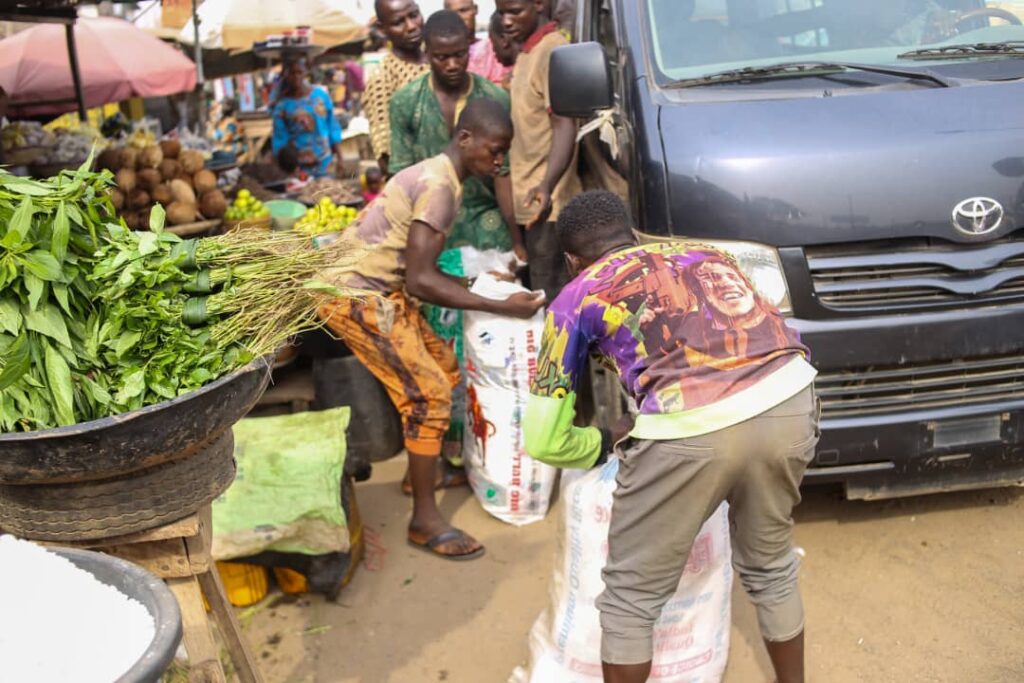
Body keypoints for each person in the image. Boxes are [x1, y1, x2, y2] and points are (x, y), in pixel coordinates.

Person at [524, 191, 819, 683]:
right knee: (771, 567)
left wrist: (603, 441)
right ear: (633, 235)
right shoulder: (707, 255)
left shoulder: (574, 298)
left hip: (691, 429)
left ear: (573, 260)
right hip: (790, 398)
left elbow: (543, 441)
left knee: (630, 601)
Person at [317, 99, 545, 560]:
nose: (499, 162)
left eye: (504, 154)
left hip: (382, 289)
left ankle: (426, 469)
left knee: (443, 366)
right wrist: (499, 305)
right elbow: (422, 280)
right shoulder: (440, 187)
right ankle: (424, 520)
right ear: (465, 139)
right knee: (428, 395)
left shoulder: (444, 176)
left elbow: (420, 273)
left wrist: (482, 285)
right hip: (358, 296)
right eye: (494, 151)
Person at [497, 0, 582, 301]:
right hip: (533, 202)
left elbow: (564, 124)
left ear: (539, 4)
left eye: (515, 11)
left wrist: (547, 184)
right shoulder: (527, 53)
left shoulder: (551, 49)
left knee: (554, 300)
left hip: (551, 205)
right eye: (501, 12)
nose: (506, 21)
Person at [363, 0, 430, 176]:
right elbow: (387, 158)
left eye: (414, 15)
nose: (411, 26)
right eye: (398, 22)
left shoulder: (441, 58)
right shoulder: (382, 78)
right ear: (382, 28)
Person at [271, 54, 344, 178]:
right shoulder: (282, 107)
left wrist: (341, 158)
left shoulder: (320, 96)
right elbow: (280, 141)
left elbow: (332, 126)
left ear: (306, 72)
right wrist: (288, 168)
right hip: (299, 169)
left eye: (299, 72)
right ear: (285, 75)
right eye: (292, 73)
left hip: (325, 162)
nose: (296, 77)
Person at [445, 0, 516, 86]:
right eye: (454, 14)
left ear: (475, 9)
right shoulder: (442, 56)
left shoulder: (497, 48)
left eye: (464, 10)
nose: (460, 18)